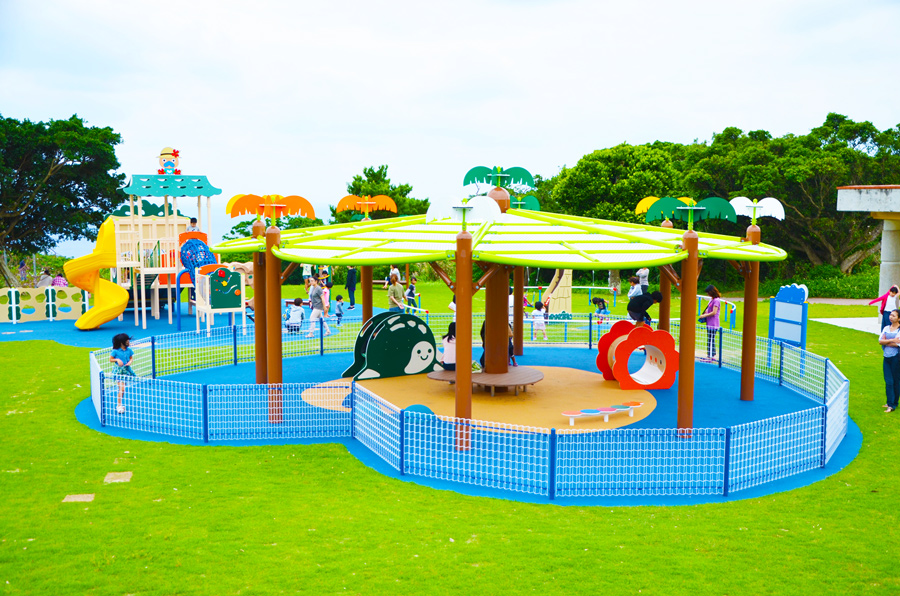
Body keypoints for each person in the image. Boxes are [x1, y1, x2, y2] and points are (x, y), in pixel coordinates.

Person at [879, 309, 900, 413]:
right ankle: (890, 402)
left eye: (894, 316)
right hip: (886, 358)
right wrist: (892, 340)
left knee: (895, 380)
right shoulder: (886, 328)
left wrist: (886, 341)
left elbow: (898, 344)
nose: (891, 317)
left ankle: (893, 404)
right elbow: (880, 341)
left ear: (899, 319)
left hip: (896, 358)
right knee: (888, 381)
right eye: (890, 315)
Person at [110, 333, 135, 414]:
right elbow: (111, 359)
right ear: (121, 342)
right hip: (118, 371)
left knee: (122, 389)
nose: (128, 342)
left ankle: (120, 403)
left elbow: (131, 358)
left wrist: (130, 362)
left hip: (125, 371)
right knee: (122, 388)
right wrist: (117, 360)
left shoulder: (129, 350)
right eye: (126, 340)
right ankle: (119, 405)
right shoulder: (115, 351)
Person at [698, 284, 721, 360]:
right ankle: (711, 355)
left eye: (708, 292)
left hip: (713, 323)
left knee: (711, 339)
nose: (707, 294)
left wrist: (705, 315)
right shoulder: (712, 300)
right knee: (710, 339)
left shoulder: (716, 300)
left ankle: (710, 356)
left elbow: (714, 312)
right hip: (709, 323)